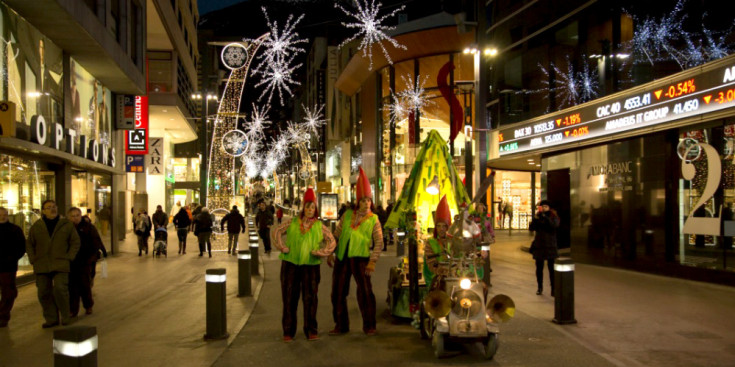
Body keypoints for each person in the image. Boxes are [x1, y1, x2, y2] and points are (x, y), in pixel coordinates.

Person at [272, 188, 336, 342]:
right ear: (303, 208)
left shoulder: (320, 226)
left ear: (315, 209)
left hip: (310, 266)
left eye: (312, 207)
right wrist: (282, 247)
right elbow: (276, 232)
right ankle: (288, 331)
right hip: (290, 264)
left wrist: (322, 252)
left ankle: (311, 330)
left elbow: (332, 241)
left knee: (311, 299)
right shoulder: (292, 222)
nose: (309, 210)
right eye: (307, 207)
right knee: (289, 298)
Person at [328, 167, 383, 336]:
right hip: (342, 258)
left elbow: (379, 242)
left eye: (369, 200)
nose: (366, 203)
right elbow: (336, 234)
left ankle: (369, 325)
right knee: (337, 292)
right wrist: (330, 251)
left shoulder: (374, 219)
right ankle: (341, 325)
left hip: (361, 259)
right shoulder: (347, 214)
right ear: (357, 201)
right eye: (363, 200)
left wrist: (372, 261)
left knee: (366, 292)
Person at [26, 200, 81, 328]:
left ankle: (66, 316)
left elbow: (75, 242)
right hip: (42, 264)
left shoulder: (66, 225)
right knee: (43, 292)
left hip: (60, 263)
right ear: (43, 211)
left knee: (60, 289)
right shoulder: (37, 226)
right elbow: (29, 243)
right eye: (48, 207)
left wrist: (69, 257)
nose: (52, 209)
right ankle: (51, 318)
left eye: (54, 207)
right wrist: (33, 258)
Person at [67, 207, 103, 317]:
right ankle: (73, 309)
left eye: (77, 215)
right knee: (72, 287)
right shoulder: (67, 229)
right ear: (69, 217)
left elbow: (96, 242)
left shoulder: (88, 227)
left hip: (85, 261)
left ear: (80, 215)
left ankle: (88, 306)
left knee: (85, 285)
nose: (75, 218)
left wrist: (92, 257)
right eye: (72, 216)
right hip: (71, 262)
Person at [0, 207, 26, 328]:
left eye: (5, 214)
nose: (3, 216)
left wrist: (12, 258)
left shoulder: (15, 230)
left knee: (8, 291)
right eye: (0, 215)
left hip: (8, 267)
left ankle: (3, 315)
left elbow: (21, 247)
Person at [529, 200, 560, 296]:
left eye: (546, 206)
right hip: (539, 246)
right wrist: (535, 220)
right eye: (542, 206)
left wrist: (546, 218)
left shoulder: (553, 216)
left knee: (551, 269)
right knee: (539, 268)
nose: (544, 208)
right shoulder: (538, 216)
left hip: (550, 245)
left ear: (549, 207)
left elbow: (554, 226)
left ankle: (553, 289)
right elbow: (531, 228)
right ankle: (540, 287)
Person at [423, 196, 452, 289]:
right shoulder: (430, 242)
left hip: (454, 275)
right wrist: (442, 272)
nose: (441, 229)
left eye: (444, 226)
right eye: (438, 226)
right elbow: (431, 264)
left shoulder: (454, 241)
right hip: (437, 276)